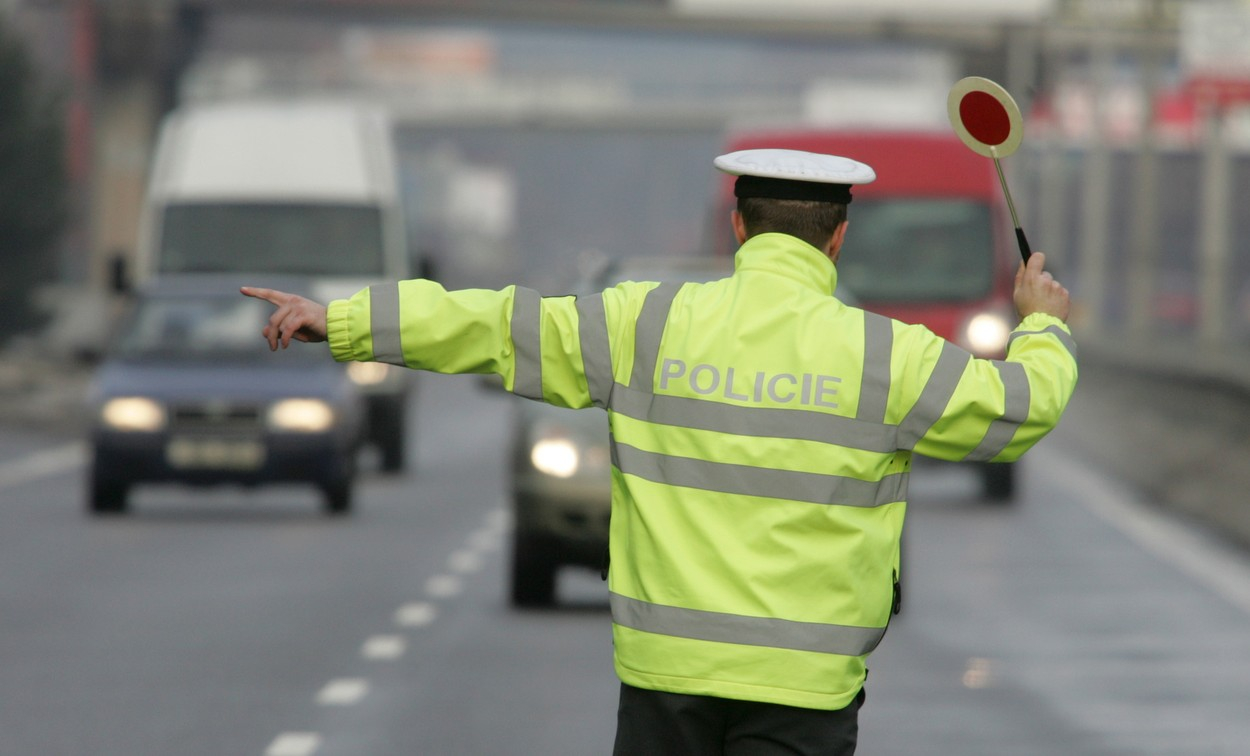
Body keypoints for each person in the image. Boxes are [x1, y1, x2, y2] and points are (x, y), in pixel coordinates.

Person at [242, 148, 1076, 755]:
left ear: (739, 226)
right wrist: (1040, 323)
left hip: (663, 682)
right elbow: (1019, 411)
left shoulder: (642, 323)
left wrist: (343, 321)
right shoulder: (888, 356)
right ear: (837, 240)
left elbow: (496, 326)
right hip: (805, 693)